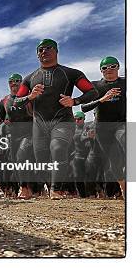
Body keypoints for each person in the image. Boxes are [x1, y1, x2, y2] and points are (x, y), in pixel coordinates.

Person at [14, 39, 98, 199]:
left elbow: (92, 92)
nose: (44, 51)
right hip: (39, 124)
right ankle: (51, 186)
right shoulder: (30, 78)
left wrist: (74, 101)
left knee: (58, 148)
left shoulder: (71, 73)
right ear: (37, 54)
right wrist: (30, 96)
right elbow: (17, 101)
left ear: (56, 51)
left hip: (63, 120)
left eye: (48, 48)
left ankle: (56, 189)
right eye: (40, 49)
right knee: (42, 161)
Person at [81, 56, 126, 199]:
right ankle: (123, 188)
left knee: (126, 139)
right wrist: (102, 99)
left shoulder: (126, 83)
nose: (109, 70)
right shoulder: (95, 86)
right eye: (105, 68)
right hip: (103, 128)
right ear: (101, 71)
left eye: (112, 66)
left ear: (118, 67)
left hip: (122, 123)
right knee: (115, 160)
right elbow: (83, 107)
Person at [0, 73, 35, 199]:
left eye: (17, 81)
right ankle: (25, 187)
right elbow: (1, 116)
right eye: (11, 81)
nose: (14, 83)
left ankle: (24, 188)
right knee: (15, 161)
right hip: (13, 135)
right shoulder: (4, 100)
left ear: (22, 83)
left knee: (22, 157)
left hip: (29, 132)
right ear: (9, 84)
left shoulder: (29, 97)